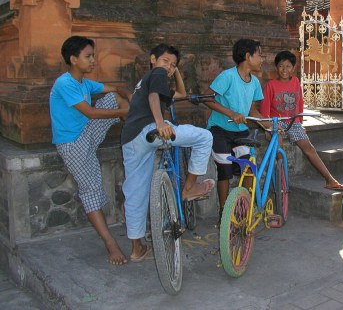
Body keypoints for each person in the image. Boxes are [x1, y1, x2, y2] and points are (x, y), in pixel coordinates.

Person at [121, 43, 214, 262]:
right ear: (152, 59)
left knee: (135, 192)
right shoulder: (157, 74)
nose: (169, 68)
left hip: (131, 139)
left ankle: (137, 249)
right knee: (205, 137)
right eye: (165, 61)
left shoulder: (146, 79)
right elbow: (154, 97)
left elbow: (180, 93)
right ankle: (189, 189)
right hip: (152, 130)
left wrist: (176, 70)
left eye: (173, 65)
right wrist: (160, 121)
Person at [49, 35, 131, 265]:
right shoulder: (64, 83)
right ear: (74, 59)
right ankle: (110, 243)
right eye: (88, 56)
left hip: (87, 133)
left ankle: (135, 129)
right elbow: (90, 113)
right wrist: (122, 113)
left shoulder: (85, 83)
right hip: (72, 143)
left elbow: (116, 89)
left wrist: (128, 98)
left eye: (93, 55)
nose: (93, 60)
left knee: (112, 97)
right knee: (91, 190)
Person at [260, 50, 343, 191]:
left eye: (288, 66)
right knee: (278, 144)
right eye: (281, 66)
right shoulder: (271, 86)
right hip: (277, 122)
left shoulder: (295, 82)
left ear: (293, 68)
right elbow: (264, 110)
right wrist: (267, 127)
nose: (284, 70)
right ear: (276, 67)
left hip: (293, 122)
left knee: (309, 148)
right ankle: (282, 180)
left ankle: (330, 179)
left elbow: (300, 103)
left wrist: (300, 122)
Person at [204, 38, 270, 221]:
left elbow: (251, 109)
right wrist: (231, 113)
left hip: (240, 132)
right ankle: (224, 213)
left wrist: (268, 125)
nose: (262, 59)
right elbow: (207, 99)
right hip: (219, 130)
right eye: (259, 54)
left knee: (249, 167)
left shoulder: (255, 82)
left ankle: (246, 209)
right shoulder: (227, 76)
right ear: (248, 56)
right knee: (224, 169)